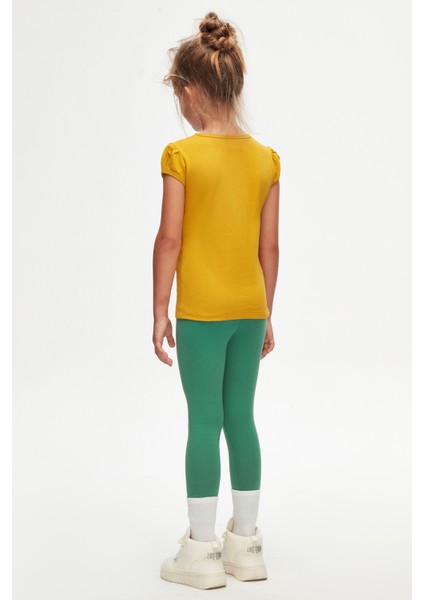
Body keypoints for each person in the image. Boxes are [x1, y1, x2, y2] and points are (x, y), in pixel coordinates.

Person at [152, 11, 280, 590]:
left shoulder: (181, 156)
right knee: (241, 418)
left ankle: (201, 551)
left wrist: (160, 308)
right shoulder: (266, 160)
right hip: (250, 309)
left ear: (190, 91)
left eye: (177, 94)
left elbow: (169, 238)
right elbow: (269, 246)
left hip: (201, 313)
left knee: (203, 421)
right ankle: (246, 545)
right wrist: (267, 310)